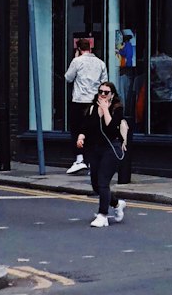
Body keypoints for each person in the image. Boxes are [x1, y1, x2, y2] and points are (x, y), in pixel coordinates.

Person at [76, 80, 128, 228]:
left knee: (103, 181)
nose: (103, 95)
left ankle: (102, 215)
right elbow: (85, 126)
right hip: (95, 149)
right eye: (100, 92)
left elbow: (112, 129)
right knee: (96, 185)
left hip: (111, 149)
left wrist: (105, 110)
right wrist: (81, 136)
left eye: (106, 92)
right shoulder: (92, 108)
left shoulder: (116, 109)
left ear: (112, 95)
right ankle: (117, 204)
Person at [65, 38, 108, 174]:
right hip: (94, 102)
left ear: (78, 49)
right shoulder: (101, 63)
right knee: (93, 132)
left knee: (77, 131)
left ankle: (79, 159)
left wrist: (76, 58)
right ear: (90, 48)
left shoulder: (77, 61)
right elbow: (105, 83)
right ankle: (92, 163)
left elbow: (68, 78)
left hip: (79, 101)